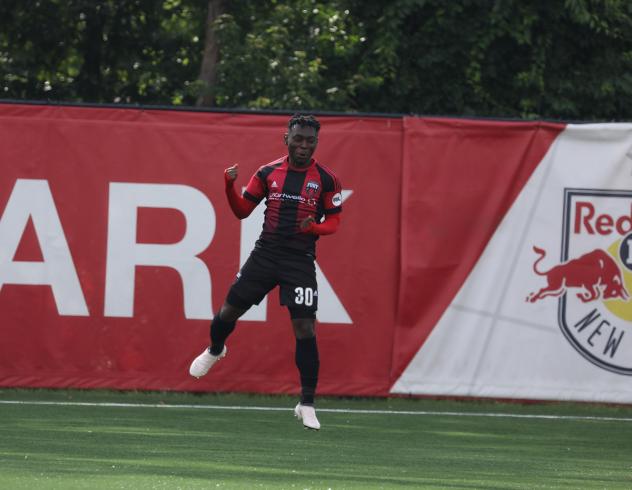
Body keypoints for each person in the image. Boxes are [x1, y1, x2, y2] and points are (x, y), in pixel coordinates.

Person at [189, 114, 343, 430]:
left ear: (316, 142)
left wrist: (314, 227)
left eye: (309, 140)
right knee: (228, 311)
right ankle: (216, 349)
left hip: (299, 261)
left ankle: (307, 403)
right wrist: (229, 185)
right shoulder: (267, 172)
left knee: (305, 328)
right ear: (286, 137)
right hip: (265, 255)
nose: (303, 145)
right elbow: (242, 211)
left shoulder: (327, 180)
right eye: (298, 138)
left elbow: (335, 222)